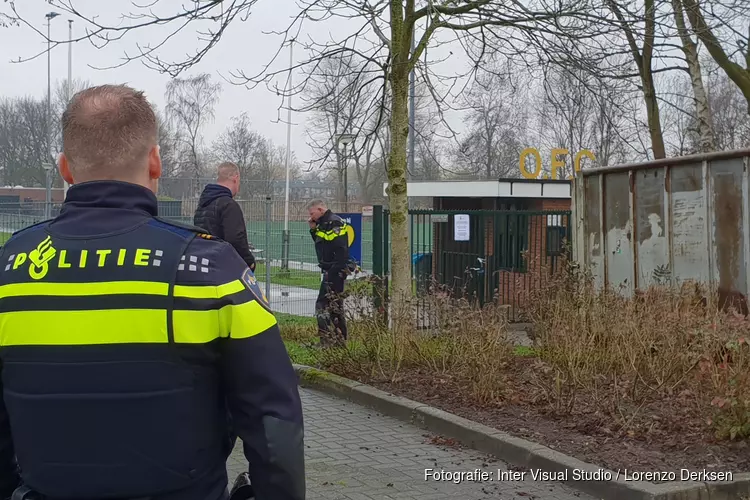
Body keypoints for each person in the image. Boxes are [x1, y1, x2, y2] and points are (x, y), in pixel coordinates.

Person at [0, 85, 305, 500]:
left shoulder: (9, 269)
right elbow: (275, 421)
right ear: (156, 162)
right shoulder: (212, 270)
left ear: (65, 169)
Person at [194, 162, 256, 272]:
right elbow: (235, 239)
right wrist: (249, 262)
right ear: (236, 178)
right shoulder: (229, 205)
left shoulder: (203, 205)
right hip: (224, 269)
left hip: (204, 265)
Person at [307, 199, 351, 346]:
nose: (310, 216)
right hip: (331, 269)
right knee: (335, 306)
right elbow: (322, 244)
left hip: (335, 270)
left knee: (322, 305)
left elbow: (340, 250)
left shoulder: (334, 223)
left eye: (312, 213)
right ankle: (339, 340)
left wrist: (332, 271)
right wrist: (313, 229)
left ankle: (326, 339)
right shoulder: (323, 224)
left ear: (320, 209)